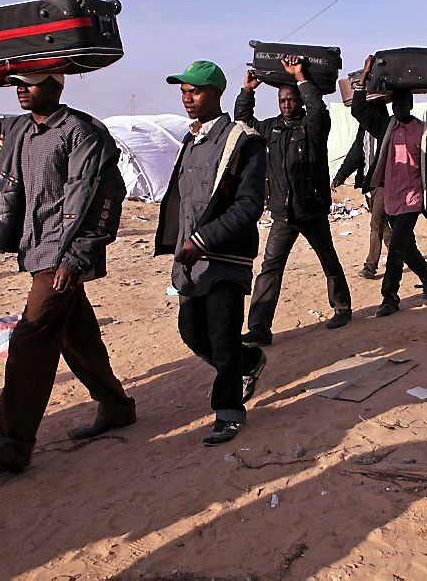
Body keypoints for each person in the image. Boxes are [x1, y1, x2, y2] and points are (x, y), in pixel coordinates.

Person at [0, 74, 134, 477]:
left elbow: (105, 196)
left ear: (57, 86)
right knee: (75, 332)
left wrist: (78, 257)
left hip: (61, 254)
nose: (22, 89)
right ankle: (117, 406)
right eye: (18, 82)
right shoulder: (18, 131)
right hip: (37, 250)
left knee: (31, 340)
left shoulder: (82, 132)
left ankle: (10, 448)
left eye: (33, 82)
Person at [158, 60, 269, 446]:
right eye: (184, 91)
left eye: (197, 91)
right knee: (192, 333)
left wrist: (204, 239)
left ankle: (229, 412)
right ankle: (249, 360)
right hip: (191, 260)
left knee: (222, 337)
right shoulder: (191, 141)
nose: (188, 98)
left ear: (217, 94)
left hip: (225, 257)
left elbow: (249, 205)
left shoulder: (243, 140)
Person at [235, 57, 352, 346]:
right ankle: (260, 327)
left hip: (311, 210)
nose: (286, 104)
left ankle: (342, 308)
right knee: (270, 269)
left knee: (328, 260)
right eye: (282, 100)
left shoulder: (312, 128)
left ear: (299, 100)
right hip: (283, 214)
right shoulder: (271, 129)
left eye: (291, 99)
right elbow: (244, 122)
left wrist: (301, 77)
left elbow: (318, 109)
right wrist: (247, 92)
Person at [352, 55, 427, 317]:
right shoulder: (386, 127)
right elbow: (358, 111)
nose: (399, 107)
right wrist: (364, 76)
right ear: (391, 105)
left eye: (403, 103)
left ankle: (390, 297)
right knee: (406, 247)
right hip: (390, 197)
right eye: (395, 103)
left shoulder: (424, 132)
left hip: (412, 199)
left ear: (410, 103)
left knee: (396, 246)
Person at [331, 110, 392, 279]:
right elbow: (355, 154)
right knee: (383, 225)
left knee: (376, 225)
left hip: (383, 185)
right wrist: (340, 176)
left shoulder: (388, 130)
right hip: (368, 186)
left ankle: (370, 266)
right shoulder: (364, 130)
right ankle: (398, 255)